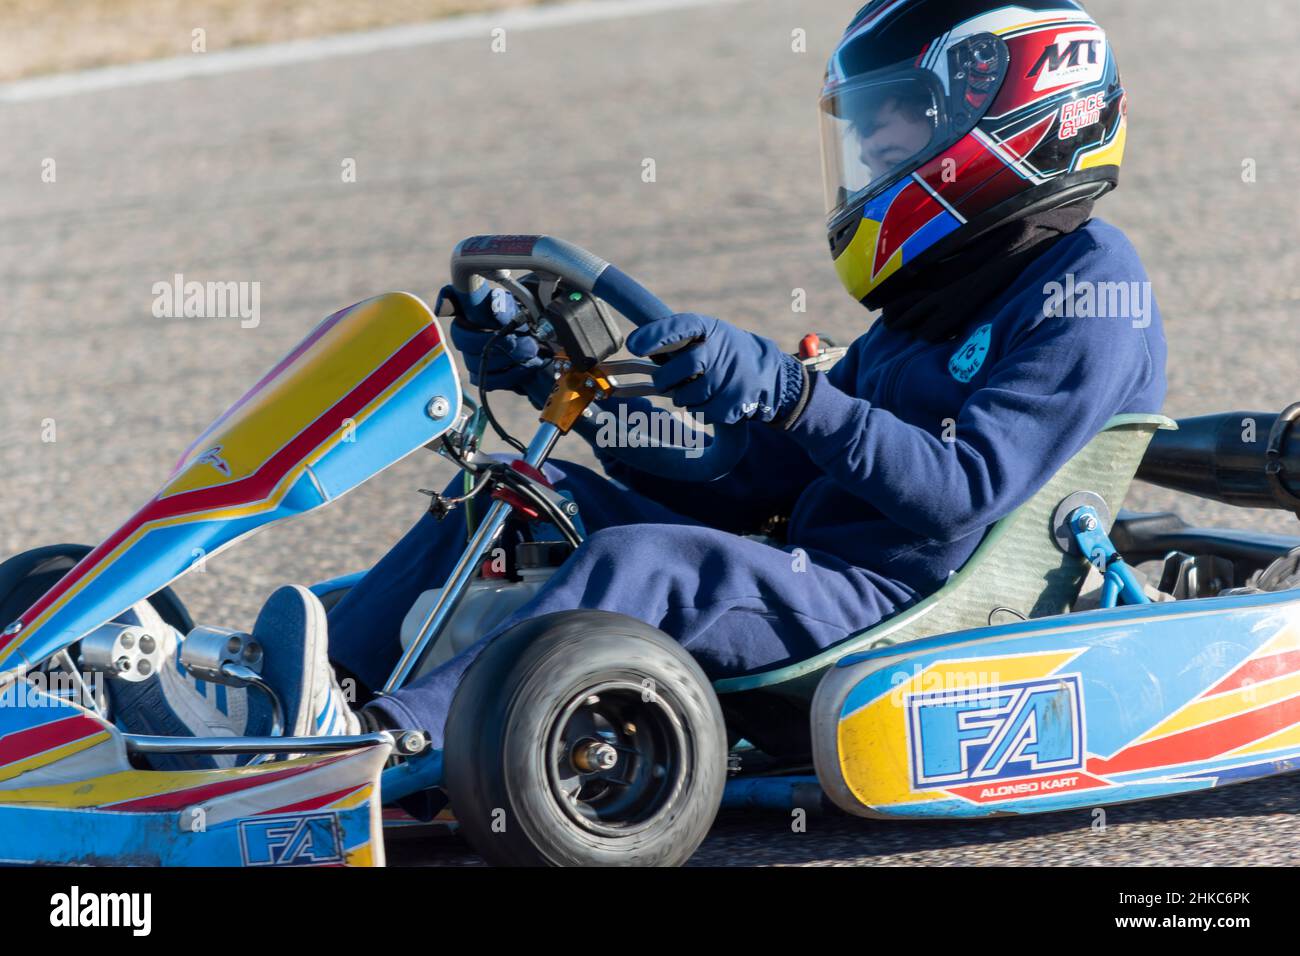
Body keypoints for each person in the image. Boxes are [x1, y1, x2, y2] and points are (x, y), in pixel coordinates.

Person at [113, 0, 1166, 769]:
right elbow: (750, 481)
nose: (875, 156)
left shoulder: (1086, 291)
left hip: (905, 610)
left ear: (1012, 115)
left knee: (643, 558)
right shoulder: (935, 296)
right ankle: (269, 702)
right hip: (816, 565)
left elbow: (960, 490)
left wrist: (792, 392)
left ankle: (389, 740)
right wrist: (572, 390)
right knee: (525, 501)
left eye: (899, 127)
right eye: (870, 132)